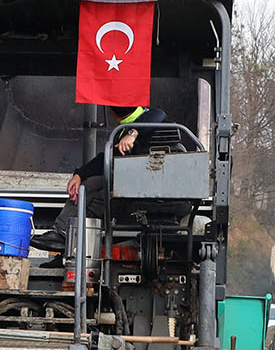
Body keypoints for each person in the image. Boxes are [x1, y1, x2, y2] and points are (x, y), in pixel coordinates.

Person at [30, 105, 170, 254]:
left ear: (111, 111)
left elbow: (159, 113)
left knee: (94, 203)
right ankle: (61, 233)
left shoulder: (145, 119)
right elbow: (105, 159)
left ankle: (70, 249)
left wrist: (133, 133)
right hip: (126, 182)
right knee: (85, 186)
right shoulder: (123, 130)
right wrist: (79, 175)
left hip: (146, 189)